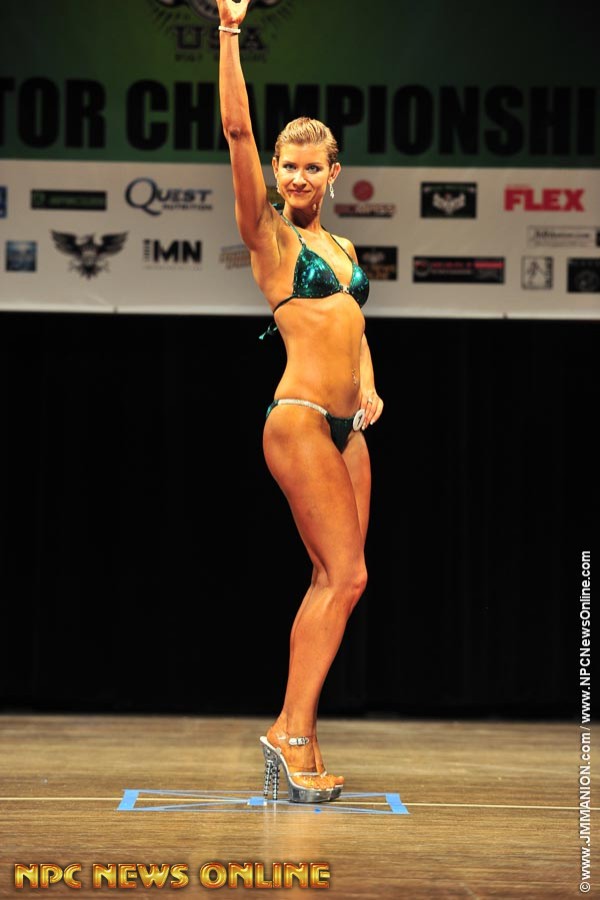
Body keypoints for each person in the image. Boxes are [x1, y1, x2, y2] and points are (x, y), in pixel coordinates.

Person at [216, 0, 383, 804]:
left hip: (350, 428)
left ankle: (301, 737)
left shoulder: (342, 248)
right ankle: (287, 732)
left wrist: (370, 381)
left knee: (336, 578)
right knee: (345, 576)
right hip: (302, 421)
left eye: (313, 168)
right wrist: (228, 32)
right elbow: (236, 131)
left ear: (333, 173)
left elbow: (353, 322)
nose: (298, 178)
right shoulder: (272, 237)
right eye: (288, 165)